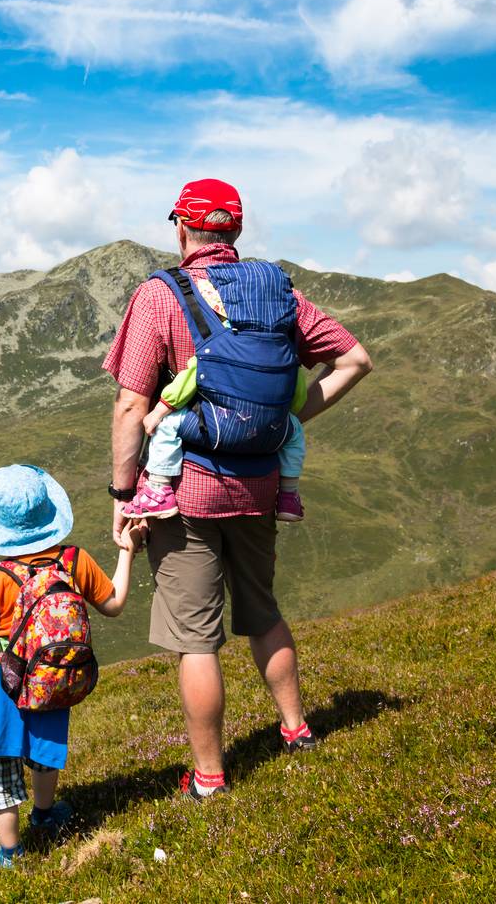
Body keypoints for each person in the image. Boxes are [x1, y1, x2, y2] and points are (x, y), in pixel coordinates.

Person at [103, 178, 372, 799]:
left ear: (181, 229)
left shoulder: (160, 296)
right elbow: (356, 359)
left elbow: (129, 406)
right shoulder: (277, 291)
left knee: (196, 639)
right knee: (264, 610)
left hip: (182, 497)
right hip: (261, 487)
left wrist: (124, 497)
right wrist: (282, 422)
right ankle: (298, 730)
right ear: (236, 232)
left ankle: (210, 777)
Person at [0, 464, 137, 866]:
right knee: (43, 753)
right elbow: (115, 604)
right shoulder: (74, 560)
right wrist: (128, 550)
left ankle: (11, 852)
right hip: (51, 676)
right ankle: (44, 813)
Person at [122, 282, 313, 522]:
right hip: (271, 430)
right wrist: (276, 419)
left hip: (218, 427)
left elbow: (188, 381)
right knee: (295, 433)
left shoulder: (219, 343)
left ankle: (159, 490)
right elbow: (298, 398)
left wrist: (160, 410)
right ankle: (288, 495)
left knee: (167, 425)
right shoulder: (283, 348)